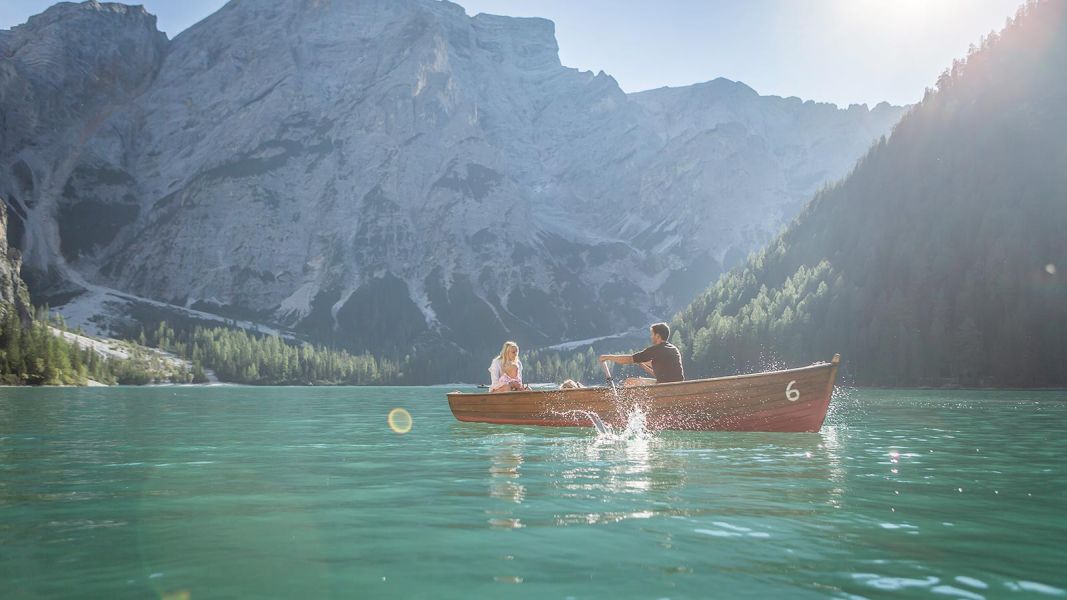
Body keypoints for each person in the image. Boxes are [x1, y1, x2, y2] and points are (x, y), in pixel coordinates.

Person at [599, 322, 684, 387]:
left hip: (665, 387)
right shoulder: (673, 349)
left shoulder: (655, 350)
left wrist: (607, 357)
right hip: (678, 386)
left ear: (657, 336)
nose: (651, 337)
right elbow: (660, 374)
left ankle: (632, 404)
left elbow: (629, 359)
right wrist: (643, 365)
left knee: (630, 382)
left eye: (652, 334)